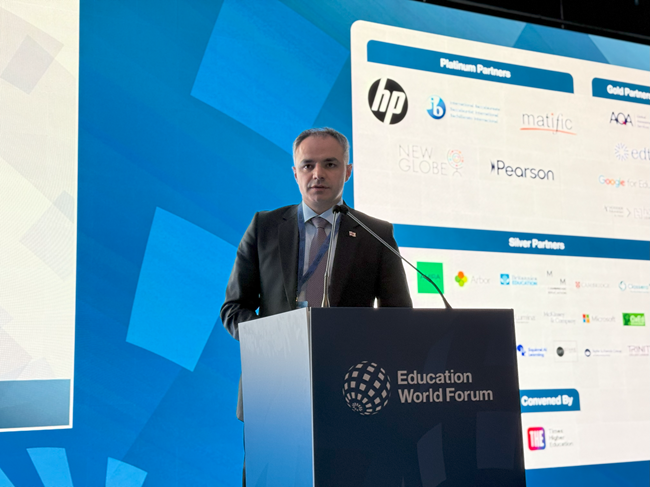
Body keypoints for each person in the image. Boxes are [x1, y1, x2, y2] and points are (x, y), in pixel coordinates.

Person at [220, 127, 412, 484]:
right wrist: (276, 339)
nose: (318, 173)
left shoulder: (376, 234)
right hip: (273, 389)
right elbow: (233, 308)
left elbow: (398, 319)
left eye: (330, 164)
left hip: (350, 394)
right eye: (308, 165)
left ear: (347, 171)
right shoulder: (264, 227)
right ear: (295, 173)